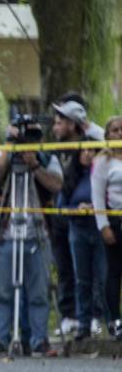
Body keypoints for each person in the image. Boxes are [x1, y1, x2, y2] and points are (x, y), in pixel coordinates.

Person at [0, 120, 63, 357]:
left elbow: (57, 184)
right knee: (2, 291)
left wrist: (35, 166)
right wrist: (9, 148)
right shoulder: (2, 156)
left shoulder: (47, 159)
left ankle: (39, 339)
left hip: (37, 233)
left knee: (39, 291)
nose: (27, 142)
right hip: (6, 233)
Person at [62, 136, 108, 340]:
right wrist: (76, 209)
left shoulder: (103, 175)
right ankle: (83, 323)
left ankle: (103, 319)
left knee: (103, 276)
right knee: (82, 279)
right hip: (78, 230)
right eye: (84, 150)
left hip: (100, 230)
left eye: (93, 150)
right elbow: (61, 207)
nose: (88, 154)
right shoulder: (71, 177)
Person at [51, 99, 89, 334]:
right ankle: (68, 315)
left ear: (73, 125)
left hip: (82, 220)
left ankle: (88, 318)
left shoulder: (88, 150)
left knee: (84, 272)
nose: (55, 127)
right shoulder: (54, 151)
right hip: (59, 217)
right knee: (64, 268)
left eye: (60, 122)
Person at [91, 115, 122, 340]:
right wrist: (103, 225)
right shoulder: (103, 161)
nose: (119, 134)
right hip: (114, 220)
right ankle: (114, 320)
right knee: (114, 271)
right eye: (115, 130)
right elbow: (97, 196)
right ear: (108, 135)